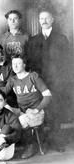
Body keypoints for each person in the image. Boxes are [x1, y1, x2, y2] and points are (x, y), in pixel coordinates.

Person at [27, 10, 69, 152]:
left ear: (52, 20)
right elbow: (30, 63)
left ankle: (56, 142)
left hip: (57, 82)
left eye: (46, 18)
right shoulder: (33, 40)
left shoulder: (61, 39)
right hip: (39, 82)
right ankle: (41, 142)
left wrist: (61, 81)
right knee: (39, 111)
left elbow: (67, 62)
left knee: (55, 111)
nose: (43, 21)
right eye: (41, 18)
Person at [3, 55, 52, 159]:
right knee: (3, 114)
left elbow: (48, 96)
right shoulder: (13, 79)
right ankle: (3, 148)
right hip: (22, 111)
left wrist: (37, 109)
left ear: (24, 65)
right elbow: (1, 94)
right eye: (13, 64)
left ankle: (30, 145)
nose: (15, 66)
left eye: (18, 63)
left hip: (36, 112)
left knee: (17, 123)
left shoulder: (33, 76)